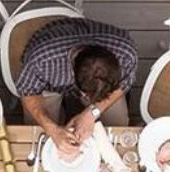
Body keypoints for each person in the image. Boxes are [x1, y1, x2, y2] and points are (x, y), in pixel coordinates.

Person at [15, 18, 138, 159]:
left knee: (118, 125)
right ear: (72, 70)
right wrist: (53, 130)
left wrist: (92, 112)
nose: (91, 101)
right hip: (47, 85)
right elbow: (27, 92)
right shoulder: (41, 61)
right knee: (38, 134)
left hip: (93, 81)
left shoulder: (125, 54)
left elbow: (125, 82)